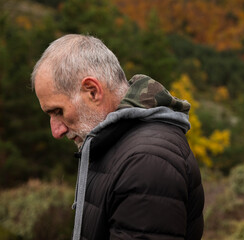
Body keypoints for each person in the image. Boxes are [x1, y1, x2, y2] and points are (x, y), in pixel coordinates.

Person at [31, 34, 204, 240]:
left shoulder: (146, 161)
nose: (56, 131)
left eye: (58, 111)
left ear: (92, 91)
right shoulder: (114, 145)